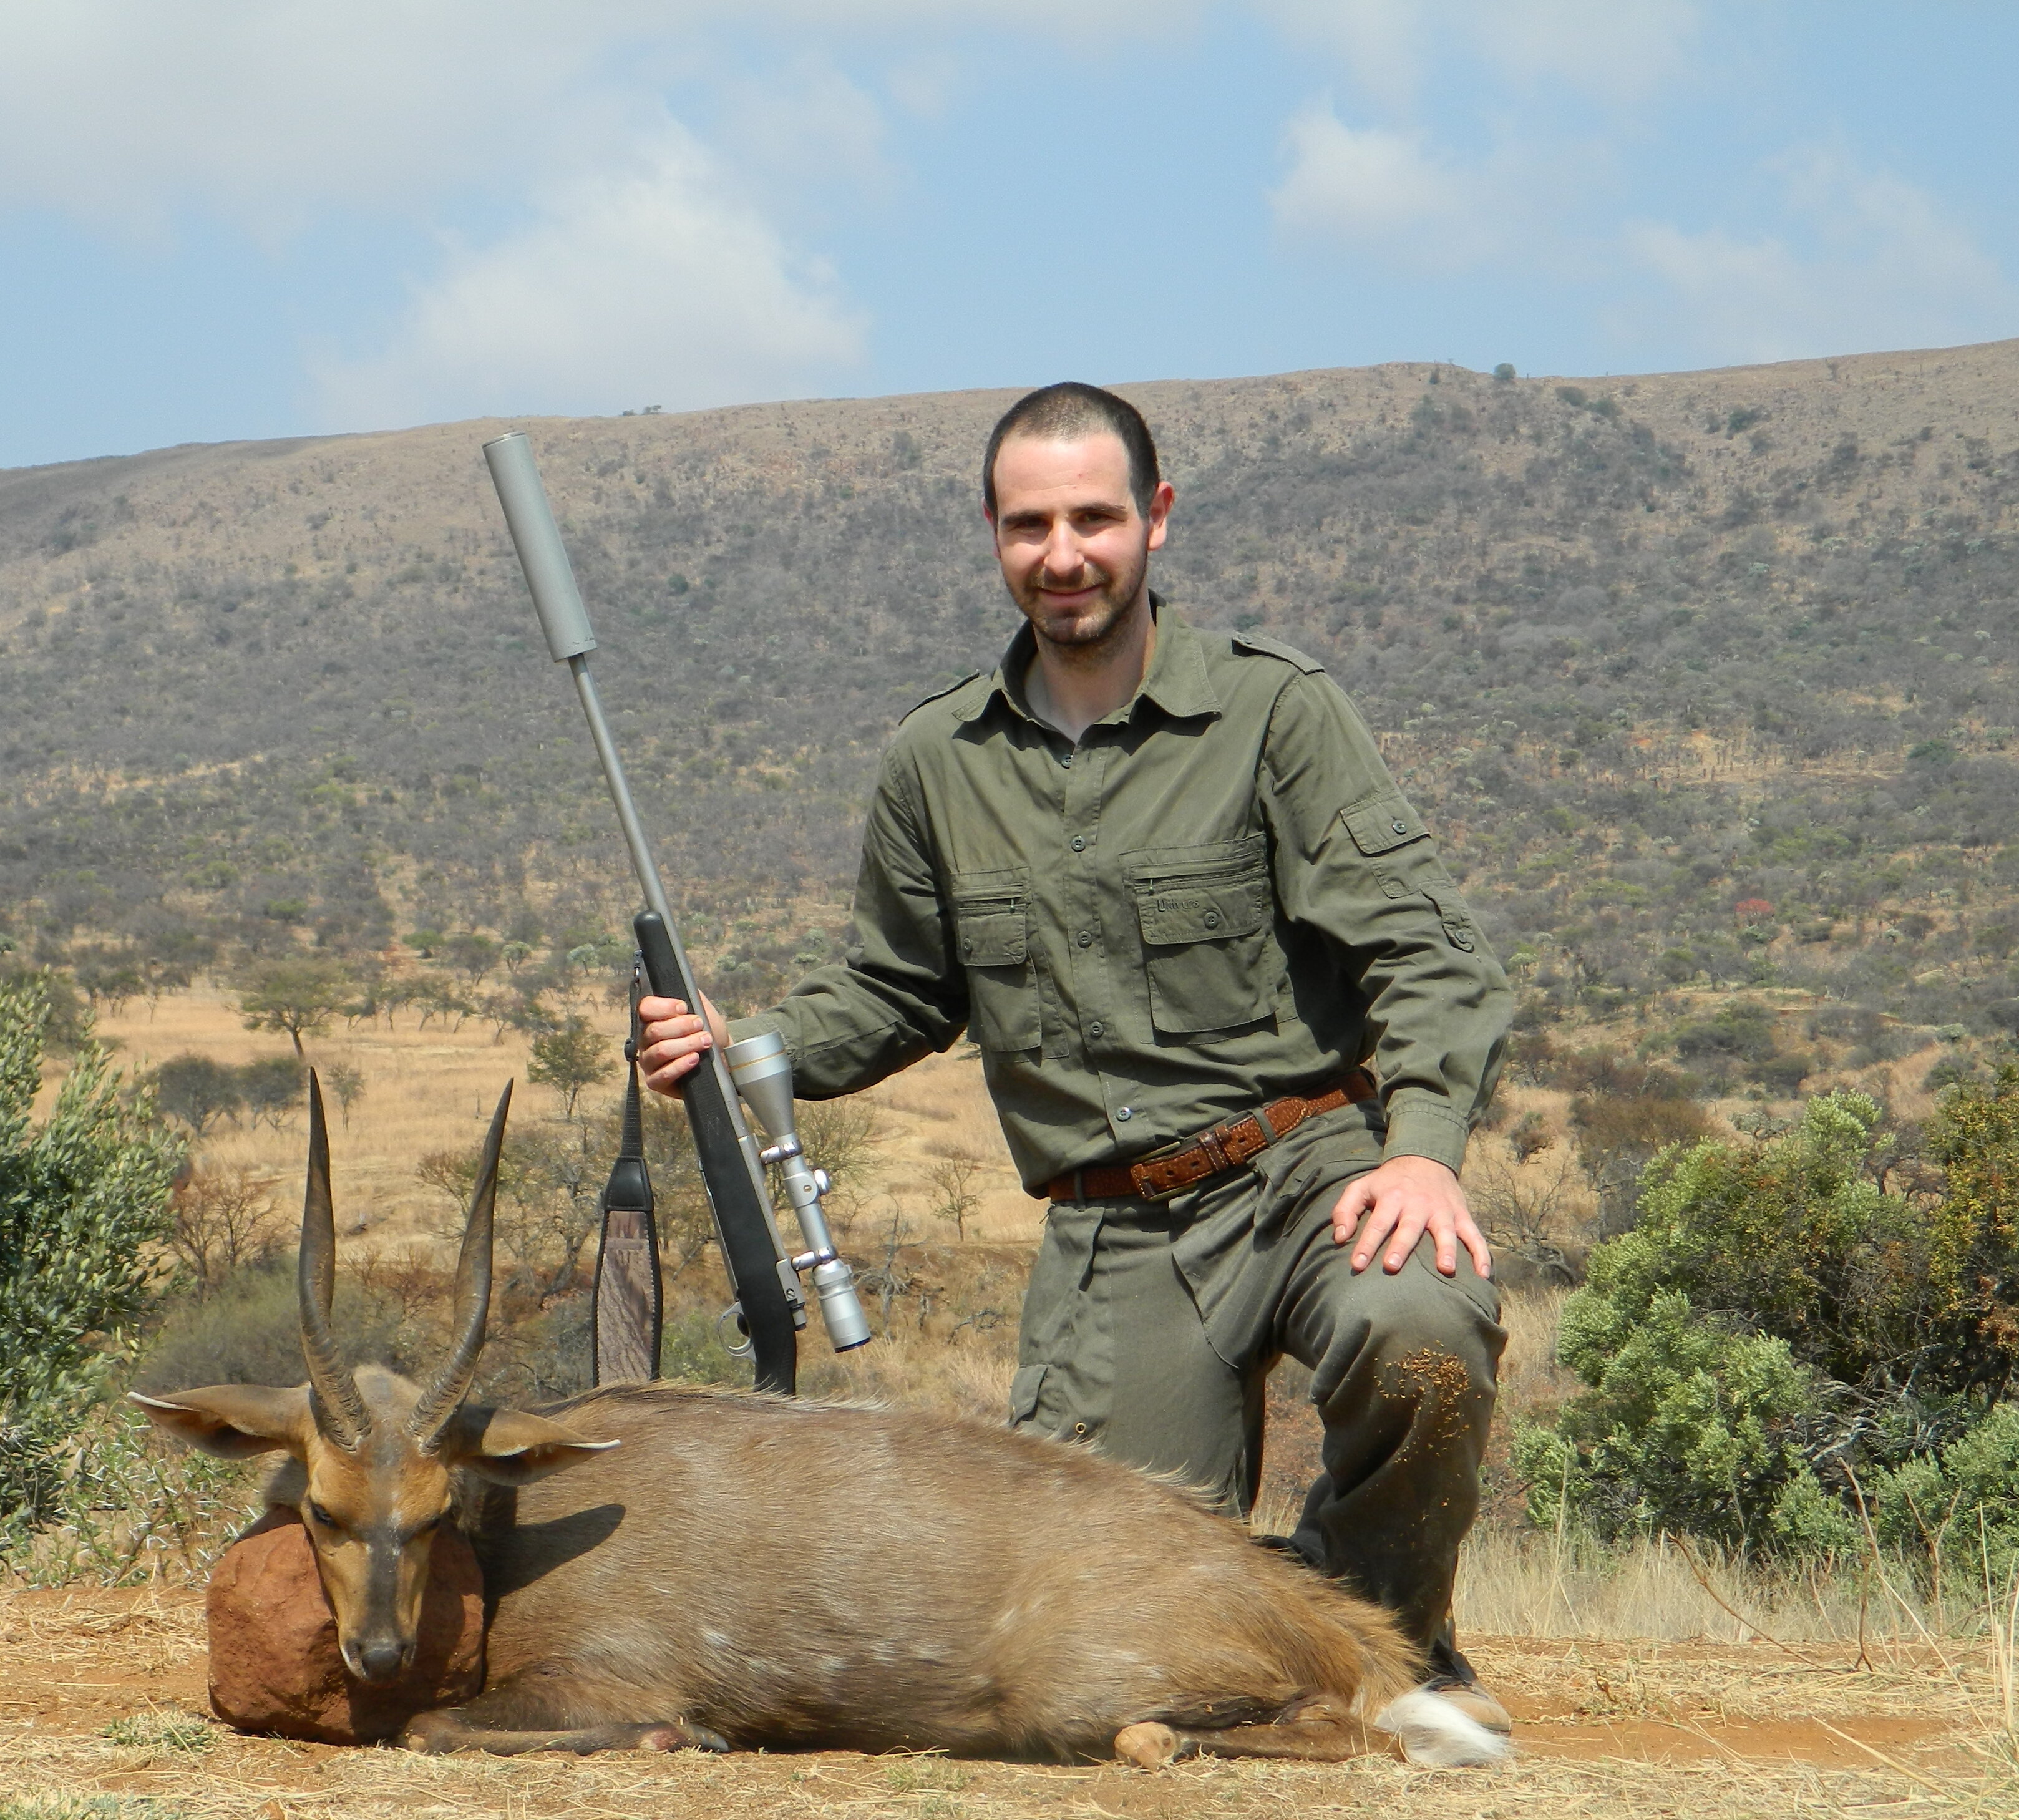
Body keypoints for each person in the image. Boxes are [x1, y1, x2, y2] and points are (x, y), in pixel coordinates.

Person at [637, 382, 1513, 1726]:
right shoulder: (936, 760)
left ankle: (1387, 1649)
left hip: (1306, 1175)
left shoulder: (1276, 714)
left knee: (1423, 1327)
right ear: (992, 533)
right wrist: (745, 1047)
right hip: (1115, 1239)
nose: (1065, 554)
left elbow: (1429, 957)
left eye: (1095, 518)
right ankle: (1283, 1655)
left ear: (1156, 520)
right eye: (1031, 524)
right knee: (1069, 1642)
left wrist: (1424, 1156)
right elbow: (892, 987)